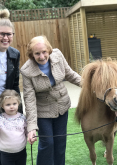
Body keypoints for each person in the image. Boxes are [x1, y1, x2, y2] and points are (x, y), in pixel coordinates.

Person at [20, 35, 81, 165]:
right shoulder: (26, 71)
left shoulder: (58, 55)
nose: (41, 57)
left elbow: (70, 74)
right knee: (47, 143)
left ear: (49, 50)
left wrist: (89, 85)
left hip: (62, 106)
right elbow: (29, 99)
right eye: (37, 53)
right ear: (31, 54)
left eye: (44, 52)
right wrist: (31, 127)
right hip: (42, 111)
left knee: (60, 142)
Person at [0, 8, 23, 165]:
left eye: (9, 34)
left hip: (6, 102)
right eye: (2, 34)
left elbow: (15, 85)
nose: (5, 37)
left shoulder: (14, 54)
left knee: (9, 141)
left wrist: (19, 112)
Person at [0, 89, 27, 165]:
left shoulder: (23, 118)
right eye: (8, 105)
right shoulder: (1, 119)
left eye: (14, 103)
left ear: (18, 103)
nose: (12, 107)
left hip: (21, 151)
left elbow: (26, 131)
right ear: (2, 105)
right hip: (5, 153)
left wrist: (30, 136)